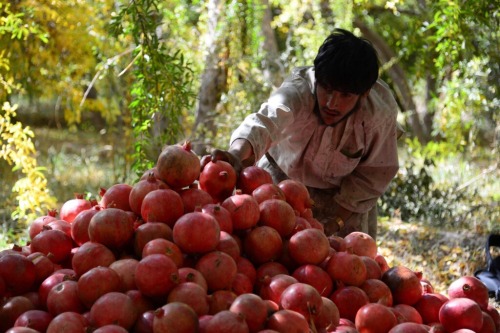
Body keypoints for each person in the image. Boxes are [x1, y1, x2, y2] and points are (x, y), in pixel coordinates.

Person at [204, 28, 400, 240]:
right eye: (326, 89)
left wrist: (336, 221)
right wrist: (235, 154)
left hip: (345, 198)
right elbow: (264, 122)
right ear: (317, 78)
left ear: (364, 94)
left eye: (345, 95)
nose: (331, 103)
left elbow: (373, 175)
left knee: (348, 262)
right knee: (263, 247)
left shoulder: (378, 116)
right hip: (279, 179)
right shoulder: (298, 91)